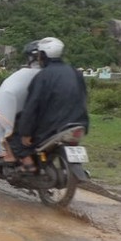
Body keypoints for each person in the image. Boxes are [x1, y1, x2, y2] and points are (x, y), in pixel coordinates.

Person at [10, 37, 89, 174]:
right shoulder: (75, 72)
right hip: (78, 121)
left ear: (43, 55)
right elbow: (83, 96)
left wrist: (26, 133)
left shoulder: (43, 76)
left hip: (53, 125)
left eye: (39, 54)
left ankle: (28, 165)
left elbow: (32, 105)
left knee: (15, 130)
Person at [0, 40, 41, 162]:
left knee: (3, 124)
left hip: (28, 114)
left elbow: (8, 91)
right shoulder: (54, 73)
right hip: (51, 116)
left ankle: (8, 155)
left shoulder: (24, 73)